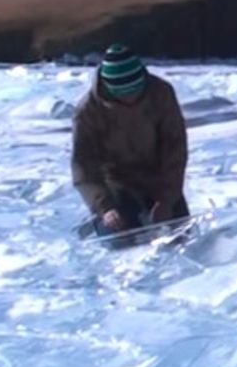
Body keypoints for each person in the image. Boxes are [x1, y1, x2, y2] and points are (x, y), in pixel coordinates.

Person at [71, 44, 189, 236]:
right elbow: (84, 166)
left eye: (135, 91)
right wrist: (105, 207)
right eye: (124, 94)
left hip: (157, 177)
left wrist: (167, 199)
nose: (131, 99)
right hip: (116, 182)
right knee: (120, 236)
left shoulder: (160, 93)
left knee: (179, 234)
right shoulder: (88, 112)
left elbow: (175, 148)